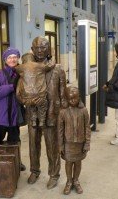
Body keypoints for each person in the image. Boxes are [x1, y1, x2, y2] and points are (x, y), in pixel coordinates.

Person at [27, 36, 67, 189]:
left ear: (49, 48)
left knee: (52, 146)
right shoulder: (29, 68)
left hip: (51, 113)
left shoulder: (58, 69)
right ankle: (34, 170)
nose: (40, 51)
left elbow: (63, 95)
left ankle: (54, 174)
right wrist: (29, 101)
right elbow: (22, 92)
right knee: (33, 145)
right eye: (36, 48)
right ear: (32, 49)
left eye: (43, 47)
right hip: (33, 112)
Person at [0, 47, 26, 171]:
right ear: (5, 59)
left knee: (15, 142)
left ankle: (17, 162)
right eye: (10, 57)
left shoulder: (21, 74)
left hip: (14, 116)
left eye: (15, 57)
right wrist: (12, 86)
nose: (13, 59)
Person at [58, 87, 91, 195]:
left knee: (78, 162)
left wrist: (87, 143)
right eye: (70, 99)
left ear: (79, 97)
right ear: (66, 99)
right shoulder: (63, 112)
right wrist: (60, 145)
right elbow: (60, 130)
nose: (73, 101)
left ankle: (76, 180)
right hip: (67, 144)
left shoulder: (84, 110)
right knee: (68, 163)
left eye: (75, 98)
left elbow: (87, 127)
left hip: (80, 144)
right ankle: (69, 181)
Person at [15, 53, 55, 127]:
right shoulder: (40, 65)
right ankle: (42, 121)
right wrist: (51, 59)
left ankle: (33, 120)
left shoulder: (19, 68)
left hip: (28, 94)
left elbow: (15, 69)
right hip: (40, 93)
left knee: (31, 107)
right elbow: (51, 65)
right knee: (43, 106)